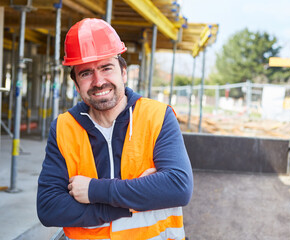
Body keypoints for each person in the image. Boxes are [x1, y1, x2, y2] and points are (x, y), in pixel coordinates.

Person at [37, 18, 193, 240]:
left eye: (106, 67)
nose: (98, 81)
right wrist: (130, 203)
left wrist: (93, 191)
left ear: (123, 72)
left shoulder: (157, 116)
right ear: (76, 85)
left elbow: (178, 187)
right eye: (86, 73)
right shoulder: (64, 127)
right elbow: (49, 208)